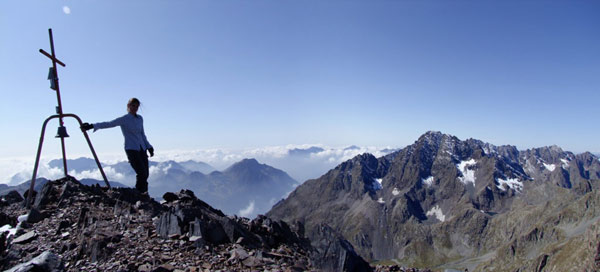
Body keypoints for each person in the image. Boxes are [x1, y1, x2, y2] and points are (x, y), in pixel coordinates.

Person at [82, 98, 154, 194]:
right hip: (131, 149)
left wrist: (149, 146)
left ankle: (143, 193)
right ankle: (140, 194)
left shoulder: (140, 119)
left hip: (142, 149)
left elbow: (142, 134)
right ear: (128, 106)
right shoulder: (124, 119)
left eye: (137, 106)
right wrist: (92, 126)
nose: (135, 108)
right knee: (141, 173)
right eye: (133, 105)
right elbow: (109, 124)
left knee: (146, 174)